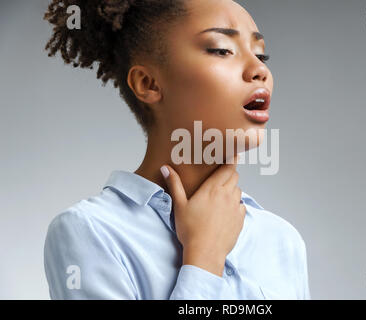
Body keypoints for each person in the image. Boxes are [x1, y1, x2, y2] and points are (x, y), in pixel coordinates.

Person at [43, 0, 311, 299]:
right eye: (222, 49)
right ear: (148, 83)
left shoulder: (281, 240)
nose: (259, 69)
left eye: (261, 54)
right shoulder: (92, 231)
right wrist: (204, 258)